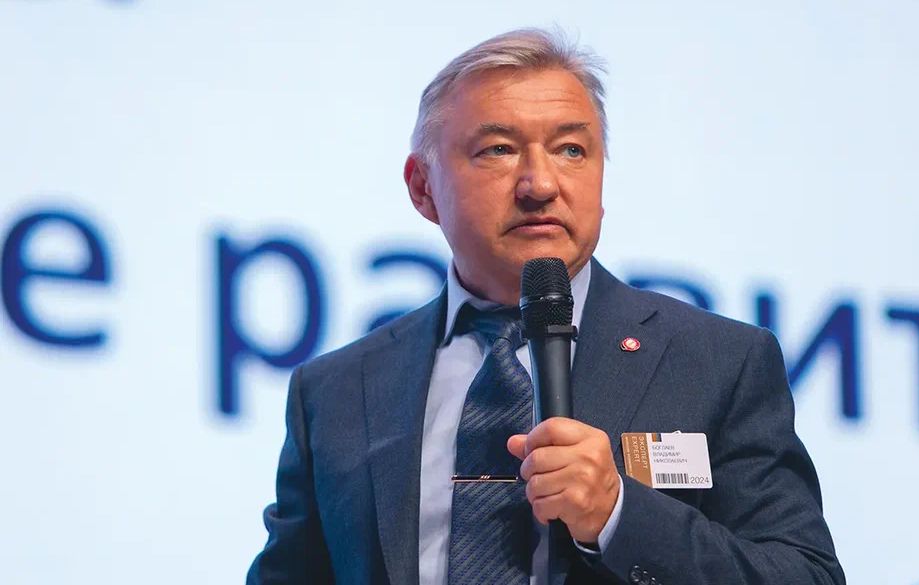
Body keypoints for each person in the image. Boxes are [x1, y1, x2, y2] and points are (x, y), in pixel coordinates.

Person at [248, 28, 844, 585]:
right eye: (499, 150)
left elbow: (806, 575)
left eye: (571, 150)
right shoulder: (335, 391)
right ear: (423, 187)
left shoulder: (717, 362)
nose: (540, 184)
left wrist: (619, 514)